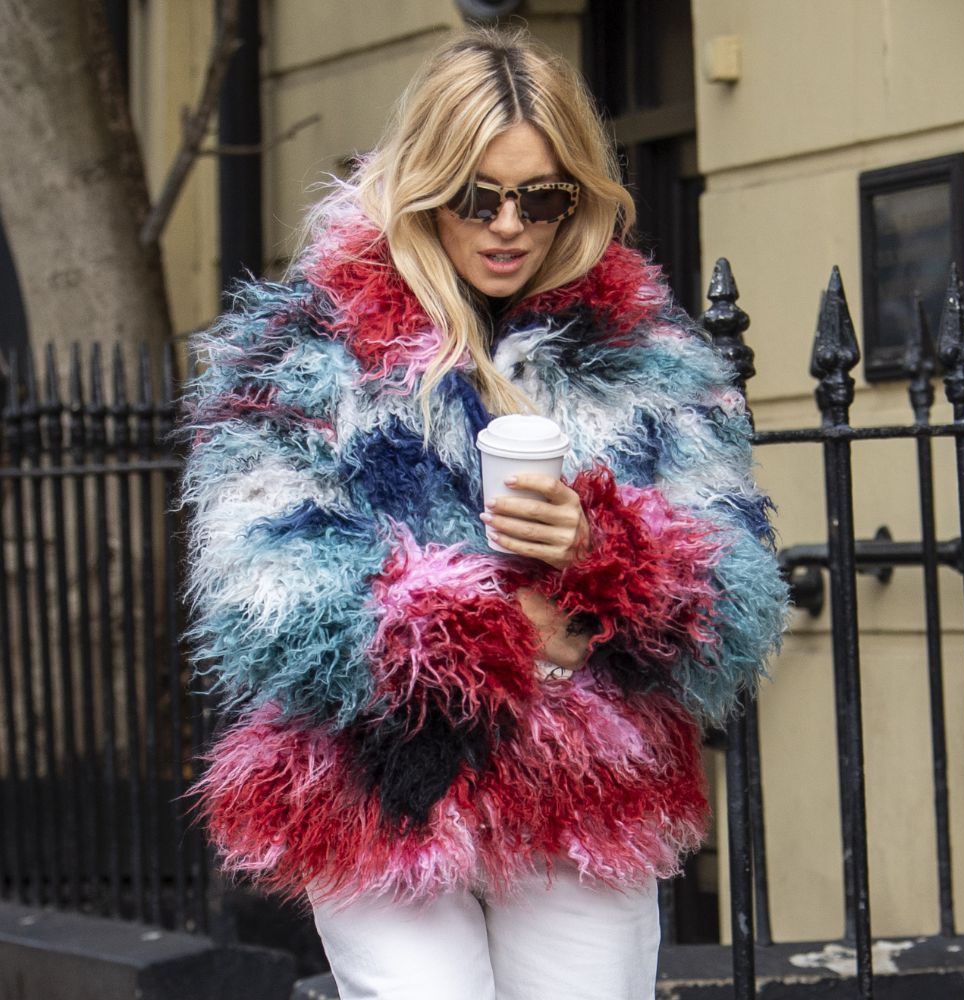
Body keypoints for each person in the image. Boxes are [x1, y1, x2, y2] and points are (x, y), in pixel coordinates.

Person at [182, 25, 787, 1000]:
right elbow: (259, 582)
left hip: (581, 778)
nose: (508, 224)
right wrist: (478, 630)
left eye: (540, 198)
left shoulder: (645, 350)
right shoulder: (304, 345)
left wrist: (606, 555)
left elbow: (740, 585)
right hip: (384, 781)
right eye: (477, 195)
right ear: (425, 183)